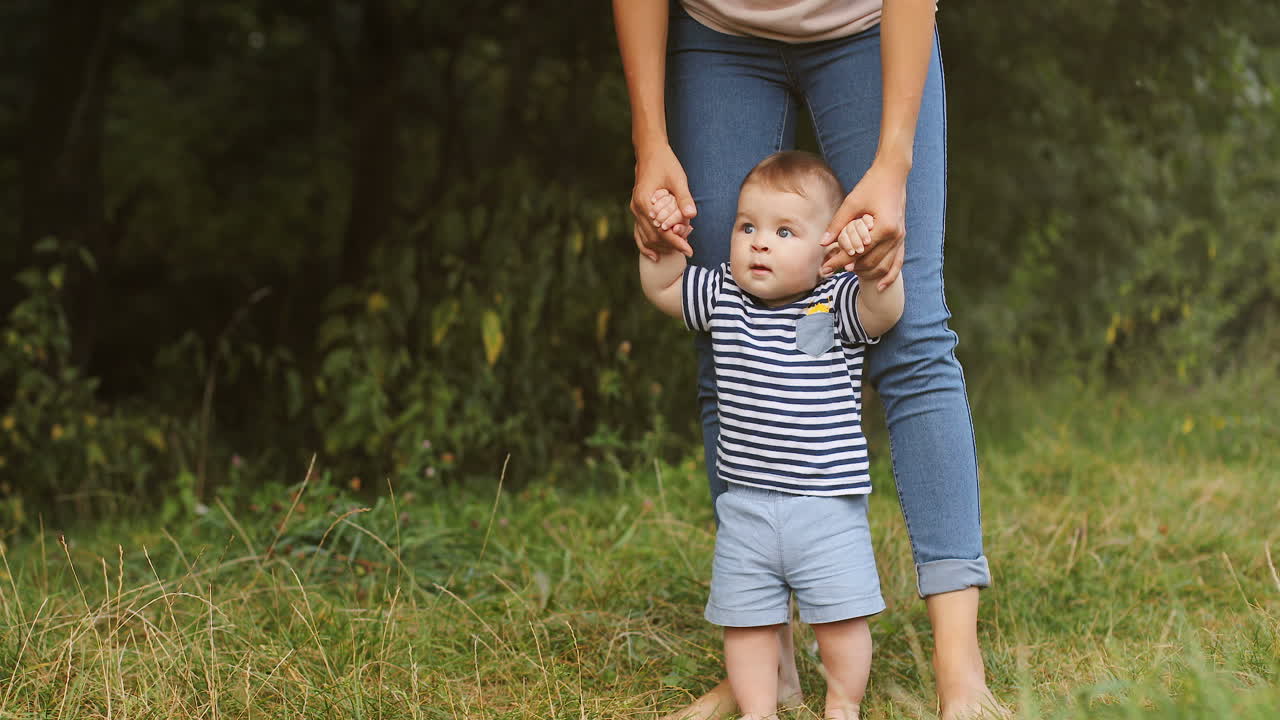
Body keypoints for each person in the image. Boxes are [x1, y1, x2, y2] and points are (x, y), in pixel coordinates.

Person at [613, 1, 1000, 718]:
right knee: (727, 331)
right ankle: (765, 663)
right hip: (718, 37)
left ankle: (959, 669)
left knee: (912, 330)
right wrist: (650, 140)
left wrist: (893, 160)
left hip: (867, 28)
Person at [640, 151, 901, 720]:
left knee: (841, 619)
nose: (760, 243)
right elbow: (664, 290)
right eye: (747, 227)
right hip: (747, 510)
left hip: (825, 507)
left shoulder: (834, 305)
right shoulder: (722, 297)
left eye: (785, 231)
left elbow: (884, 312)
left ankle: (843, 704)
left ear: (826, 250)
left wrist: (875, 270)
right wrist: (660, 249)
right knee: (746, 623)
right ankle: (759, 709)